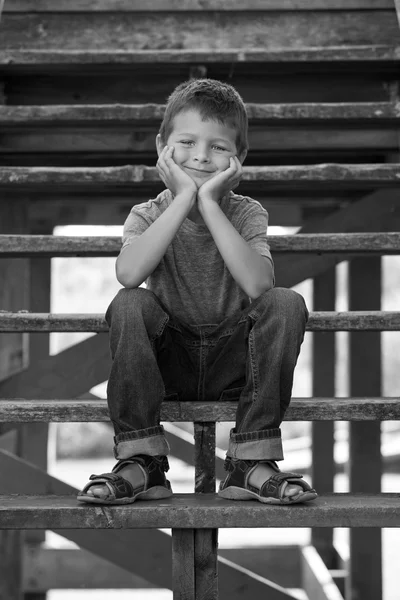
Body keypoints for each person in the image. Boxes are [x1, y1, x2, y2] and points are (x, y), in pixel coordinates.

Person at [77, 78, 317, 506]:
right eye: (187, 142)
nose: (202, 156)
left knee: (286, 303)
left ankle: (250, 461)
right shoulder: (147, 213)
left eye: (219, 146)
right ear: (162, 147)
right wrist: (182, 199)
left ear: (239, 158)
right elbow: (129, 275)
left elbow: (260, 285)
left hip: (235, 364)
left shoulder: (246, 212)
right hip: (168, 365)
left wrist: (207, 203)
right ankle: (142, 461)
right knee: (130, 304)